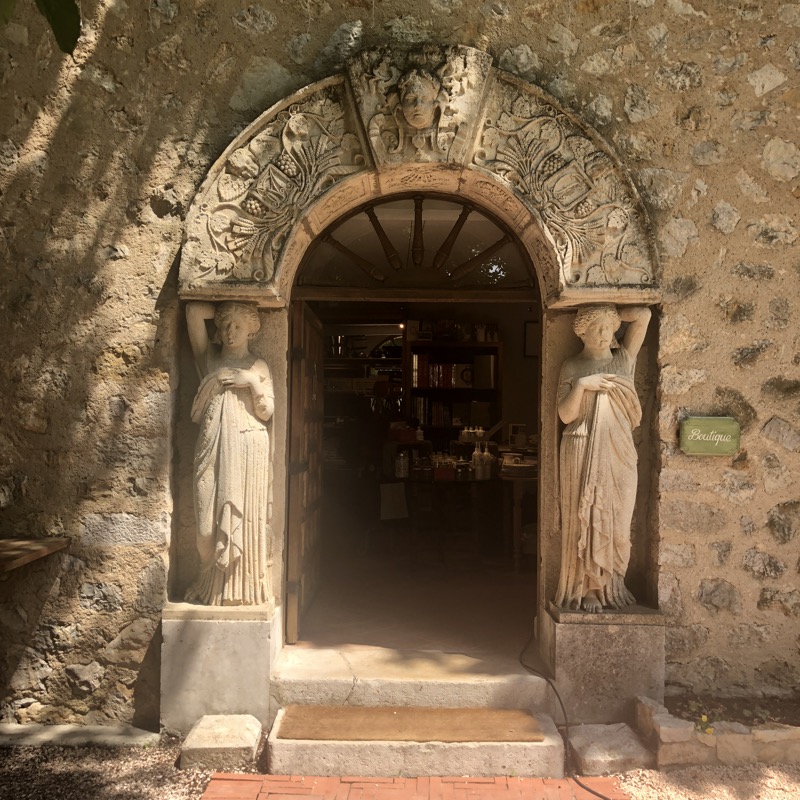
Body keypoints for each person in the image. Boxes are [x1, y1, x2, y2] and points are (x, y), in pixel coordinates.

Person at [554, 304, 651, 613]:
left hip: (619, 448)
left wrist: (610, 313)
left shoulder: (623, 359)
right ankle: (589, 589)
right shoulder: (572, 366)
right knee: (585, 519)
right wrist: (583, 385)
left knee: (619, 523)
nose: (602, 334)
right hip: (581, 446)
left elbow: (644, 315)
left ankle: (613, 585)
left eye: (607, 328)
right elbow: (565, 415)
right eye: (595, 328)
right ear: (581, 332)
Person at [184, 301, 274, 606]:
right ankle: (206, 578)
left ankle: (238, 590)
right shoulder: (209, 359)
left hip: (247, 447)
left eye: (237, 325)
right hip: (212, 445)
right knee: (205, 528)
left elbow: (267, 412)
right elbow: (194, 312)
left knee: (242, 519)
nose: (230, 331)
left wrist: (250, 381)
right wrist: (230, 305)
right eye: (225, 326)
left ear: (251, 331)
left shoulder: (258, 366)